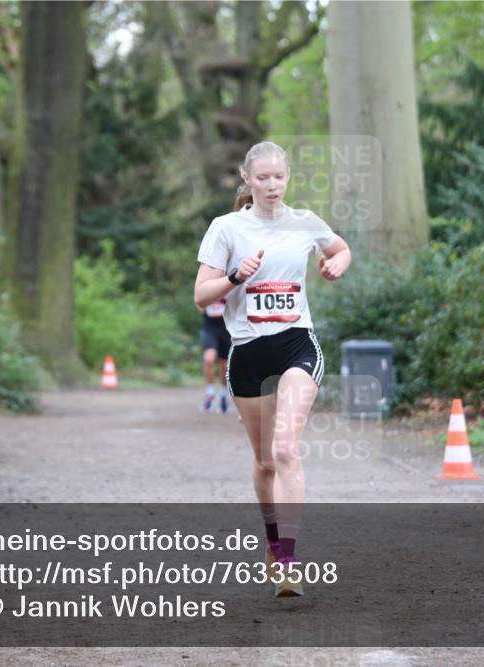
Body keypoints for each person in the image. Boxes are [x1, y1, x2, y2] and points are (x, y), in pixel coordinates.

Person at [193, 140, 352, 597]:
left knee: (285, 449)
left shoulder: (304, 222)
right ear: (247, 180)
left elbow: (341, 249)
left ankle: (287, 559)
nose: (271, 185)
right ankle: (272, 542)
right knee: (264, 462)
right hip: (247, 352)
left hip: (296, 345)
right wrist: (236, 277)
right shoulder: (226, 228)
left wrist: (336, 263)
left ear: (287, 178)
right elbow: (202, 295)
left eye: (278, 177)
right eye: (261, 178)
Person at [198, 299, 231, 413]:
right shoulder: (206, 285)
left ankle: (223, 394)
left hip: (227, 329)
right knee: (209, 358)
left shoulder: (230, 286)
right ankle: (210, 393)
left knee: (225, 366)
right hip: (210, 329)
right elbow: (200, 307)